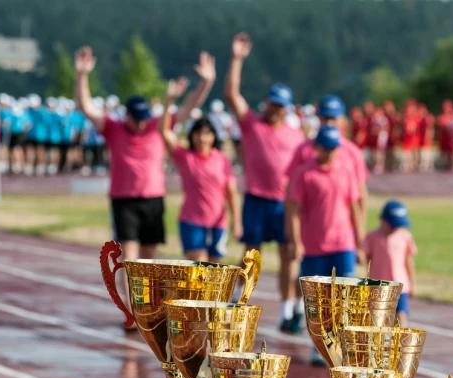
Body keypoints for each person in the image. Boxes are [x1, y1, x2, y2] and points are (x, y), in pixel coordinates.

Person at [74, 46, 215, 328]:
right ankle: (133, 314)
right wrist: (81, 77)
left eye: (142, 118)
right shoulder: (113, 128)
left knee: (150, 261)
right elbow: (86, 108)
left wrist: (206, 82)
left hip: (153, 198)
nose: (139, 123)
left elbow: (187, 109)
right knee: (129, 257)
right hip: (124, 200)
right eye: (134, 118)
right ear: (126, 115)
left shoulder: (156, 126)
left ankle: (149, 310)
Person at [224, 33, 305, 307]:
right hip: (257, 198)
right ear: (266, 103)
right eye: (272, 104)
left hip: (284, 203)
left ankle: (286, 310)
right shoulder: (252, 124)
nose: (275, 109)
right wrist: (237, 59)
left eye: (280, 106)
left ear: (287, 108)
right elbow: (232, 94)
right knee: (251, 254)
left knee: (287, 253)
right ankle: (237, 298)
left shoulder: (297, 135)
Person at [283, 95, 369, 334]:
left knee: (343, 293)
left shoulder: (351, 155)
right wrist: (294, 237)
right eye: (325, 118)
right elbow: (292, 200)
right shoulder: (304, 158)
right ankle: (309, 325)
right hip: (313, 236)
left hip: (342, 237)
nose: (329, 122)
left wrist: (361, 240)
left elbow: (358, 199)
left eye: (334, 118)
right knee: (316, 293)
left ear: (342, 119)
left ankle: (339, 340)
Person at [160, 75, 242, 263]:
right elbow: (164, 131)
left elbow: (231, 192)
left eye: (206, 134)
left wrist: (236, 221)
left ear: (213, 136)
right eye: (198, 134)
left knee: (214, 274)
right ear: (192, 136)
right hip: (192, 221)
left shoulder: (222, 160)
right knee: (199, 268)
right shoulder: (185, 156)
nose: (202, 138)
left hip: (218, 222)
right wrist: (169, 101)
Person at [364, 200, 417, 328]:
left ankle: (399, 342)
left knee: (401, 313)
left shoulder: (405, 236)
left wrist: (412, 283)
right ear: (382, 221)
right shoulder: (372, 237)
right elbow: (366, 259)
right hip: (379, 285)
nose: (395, 228)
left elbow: (408, 261)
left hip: (400, 284)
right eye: (392, 225)